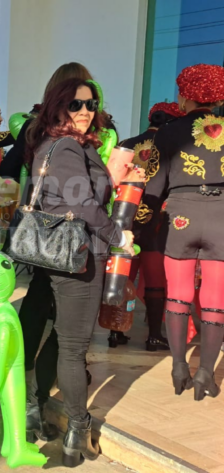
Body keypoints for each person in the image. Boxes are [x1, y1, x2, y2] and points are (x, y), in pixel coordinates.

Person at [25, 78, 136, 467]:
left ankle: (35, 407)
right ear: (58, 107)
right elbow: (85, 205)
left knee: (62, 340)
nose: (85, 111)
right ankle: (78, 429)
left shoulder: (55, 144)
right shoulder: (69, 146)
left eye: (91, 104)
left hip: (62, 255)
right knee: (73, 348)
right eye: (76, 104)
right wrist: (118, 236)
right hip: (79, 255)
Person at [4, 62, 96, 445]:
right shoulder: (88, 137)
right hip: (73, 240)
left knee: (36, 312)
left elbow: (8, 170)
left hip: (38, 237)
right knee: (66, 331)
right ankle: (37, 399)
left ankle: (27, 406)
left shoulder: (35, 130)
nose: (86, 109)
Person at [142, 64, 224, 401]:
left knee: (178, 293)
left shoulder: (168, 132)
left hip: (181, 217)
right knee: (215, 298)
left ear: (185, 96)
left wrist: (137, 225)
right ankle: (206, 372)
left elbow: (153, 188)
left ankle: (179, 366)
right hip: (221, 217)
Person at [117, 102, 185, 352]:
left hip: (126, 216)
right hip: (157, 217)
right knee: (155, 278)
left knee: (123, 275)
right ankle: (154, 335)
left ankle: (115, 331)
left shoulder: (127, 143)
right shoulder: (172, 144)